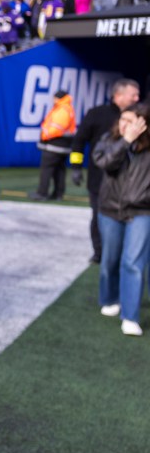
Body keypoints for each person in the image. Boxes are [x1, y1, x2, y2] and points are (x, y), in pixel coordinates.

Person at [93, 103, 150, 337]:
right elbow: (105, 163)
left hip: (142, 211)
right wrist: (125, 141)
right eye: (122, 119)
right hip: (110, 209)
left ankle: (130, 315)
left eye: (132, 120)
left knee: (133, 262)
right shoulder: (109, 140)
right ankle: (109, 297)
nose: (124, 124)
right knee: (110, 260)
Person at [70, 78, 141, 263]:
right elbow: (79, 141)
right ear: (118, 95)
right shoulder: (97, 114)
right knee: (99, 216)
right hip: (99, 179)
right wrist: (76, 167)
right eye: (133, 94)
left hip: (130, 184)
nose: (137, 98)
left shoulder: (140, 116)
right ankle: (99, 252)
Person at [30, 90, 76, 201]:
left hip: (55, 145)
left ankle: (42, 193)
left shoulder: (62, 109)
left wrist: (44, 137)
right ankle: (58, 194)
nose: (52, 100)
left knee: (47, 169)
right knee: (59, 170)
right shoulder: (67, 108)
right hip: (64, 145)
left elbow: (55, 129)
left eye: (54, 98)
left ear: (58, 98)